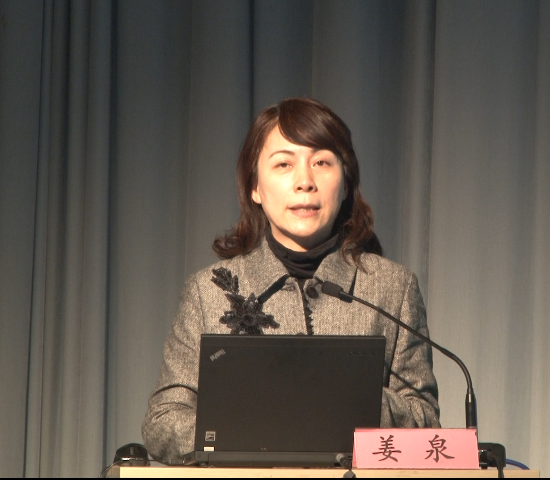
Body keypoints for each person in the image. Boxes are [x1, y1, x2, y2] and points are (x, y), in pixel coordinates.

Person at [141, 97, 441, 462]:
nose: (305, 182)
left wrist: (351, 400)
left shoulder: (392, 288)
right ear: (255, 186)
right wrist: (257, 424)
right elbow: (163, 422)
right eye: (284, 164)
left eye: (322, 162)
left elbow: (425, 422)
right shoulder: (208, 292)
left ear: (346, 184)